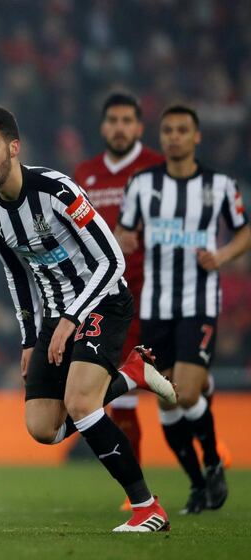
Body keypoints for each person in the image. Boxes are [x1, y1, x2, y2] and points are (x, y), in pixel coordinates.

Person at [0, 105, 176, 532]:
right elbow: (17, 275)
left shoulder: (57, 191)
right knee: (43, 428)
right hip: (55, 316)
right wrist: (29, 340)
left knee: (81, 404)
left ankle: (146, 507)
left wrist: (72, 318)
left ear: (13, 146)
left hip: (103, 300)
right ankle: (132, 373)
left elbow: (112, 258)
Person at [117, 104, 250, 515]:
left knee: (187, 390)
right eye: (168, 130)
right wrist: (125, 239)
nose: (174, 136)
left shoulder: (220, 185)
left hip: (198, 303)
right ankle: (198, 484)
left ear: (197, 137)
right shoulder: (142, 184)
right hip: (155, 307)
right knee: (167, 401)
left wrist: (224, 254)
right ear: (161, 137)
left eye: (182, 130)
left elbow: (244, 230)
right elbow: (125, 228)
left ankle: (212, 463)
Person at [73, 93, 164, 510]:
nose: (120, 127)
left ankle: (213, 451)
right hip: (111, 296)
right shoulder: (84, 175)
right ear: (103, 126)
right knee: (123, 394)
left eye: (128, 120)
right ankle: (137, 489)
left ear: (139, 126)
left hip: (160, 290)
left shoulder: (155, 169)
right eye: (113, 120)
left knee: (187, 381)